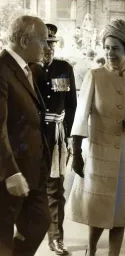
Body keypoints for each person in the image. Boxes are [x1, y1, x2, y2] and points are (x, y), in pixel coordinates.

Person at [66, 19, 125, 256]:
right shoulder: (96, 75)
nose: (109, 53)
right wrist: (76, 155)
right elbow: (81, 117)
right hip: (98, 152)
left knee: (120, 209)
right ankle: (91, 250)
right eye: (106, 47)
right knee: (98, 207)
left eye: (115, 48)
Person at [0, 15, 51, 255]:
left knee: (39, 221)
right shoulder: (2, 69)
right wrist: (10, 172)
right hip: (11, 173)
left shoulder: (30, 70)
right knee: (3, 234)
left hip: (33, 169)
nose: (47, 47)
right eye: (42, 40)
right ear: (23, 40)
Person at [30, 23, 77, 255]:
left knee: (55, 188)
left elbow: (71, 106)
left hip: (56, 136)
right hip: (33, 135)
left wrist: (69, 137)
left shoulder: (64, 68)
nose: (49, 48)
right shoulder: (29, 69)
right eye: (44, 44)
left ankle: (56, 238)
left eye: (52, 44)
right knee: (30, 187)